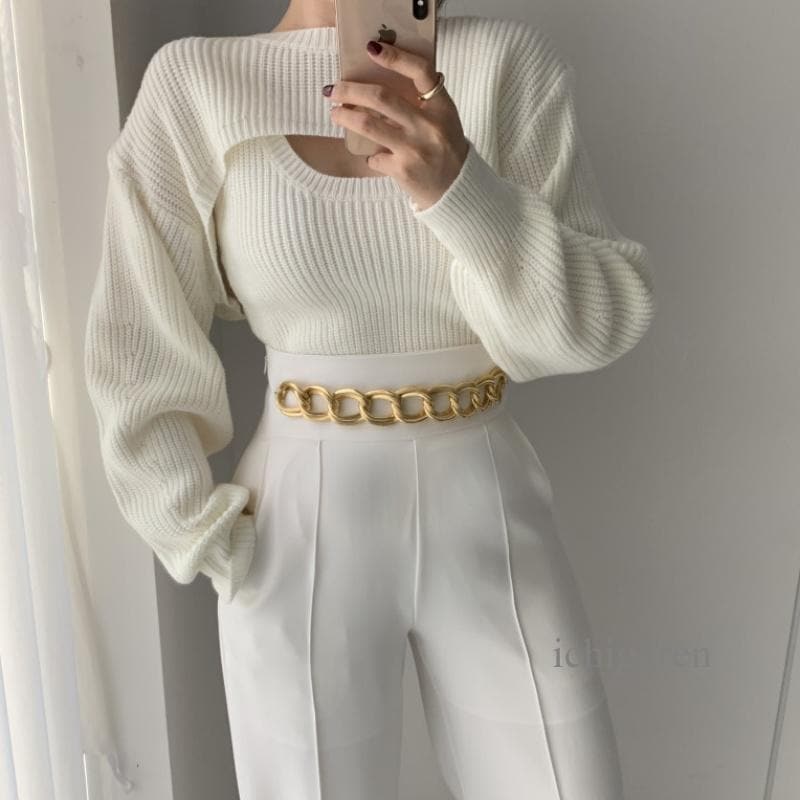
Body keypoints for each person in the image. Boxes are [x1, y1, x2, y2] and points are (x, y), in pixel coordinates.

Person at [83, 1, 656, 798]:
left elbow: (594, 327)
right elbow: (135, 335)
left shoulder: (506, 65)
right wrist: (194, 529)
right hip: (298, 518)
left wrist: (460, 187)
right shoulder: (199, 84)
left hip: (488, 494)